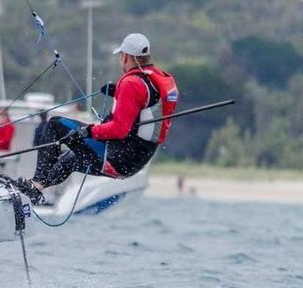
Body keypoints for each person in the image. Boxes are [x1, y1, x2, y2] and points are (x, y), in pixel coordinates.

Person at [13, 33, 179, 204]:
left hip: (117, 156)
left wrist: (87, 131)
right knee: (72, 158)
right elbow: (148, 104)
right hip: (134, 161)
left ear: (126, 56)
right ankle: (36, 191)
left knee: (55, 125)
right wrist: (118, 92)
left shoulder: (132, 83)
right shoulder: (161, 79)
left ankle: (36, 183)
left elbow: (119, 129)